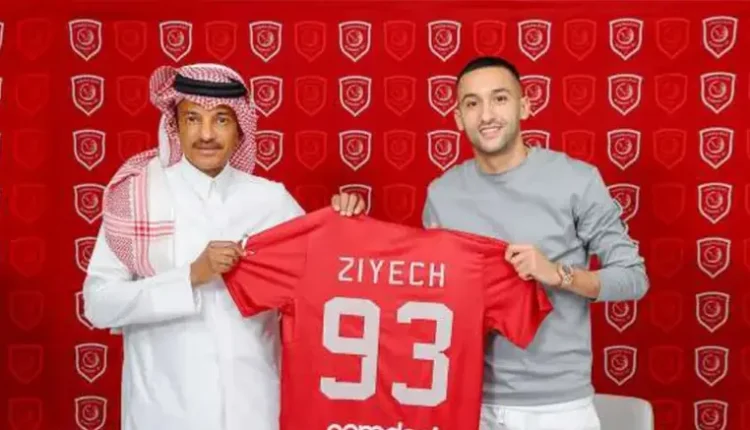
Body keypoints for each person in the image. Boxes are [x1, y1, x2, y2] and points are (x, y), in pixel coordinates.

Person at [336, 56, 650, 429]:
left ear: (524, 106)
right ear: (458, 118)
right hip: (465, 400)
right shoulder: (443, 193)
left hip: (556, 407)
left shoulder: (577, 180)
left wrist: (558, 273)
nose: (486, 115)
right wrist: (352, 231)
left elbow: (633, 278)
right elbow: (424, 290)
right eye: (472, 103)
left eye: (499, 99)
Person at [82, 63, 364, 430]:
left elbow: (327, 286)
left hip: (255, 410)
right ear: (175, 124)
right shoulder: (139, 197)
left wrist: (345, 226)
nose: (206, 134)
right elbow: (98, 304)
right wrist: (190, 277)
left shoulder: (271, 201)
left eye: (221, 120)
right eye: (193, 119)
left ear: (239, 129)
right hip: (164, 413)